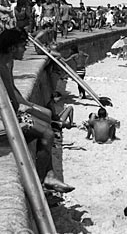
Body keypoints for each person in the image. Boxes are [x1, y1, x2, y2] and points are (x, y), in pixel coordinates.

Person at [0, 28, 74, 193]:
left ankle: (49, 175)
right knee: (47, 133)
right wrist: (21, 111)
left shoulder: (7, 62)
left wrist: (27, 105)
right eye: (22, 46)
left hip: (10, 112)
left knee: (47, 115)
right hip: (4, 120)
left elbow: (13, 92)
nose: (25, 49)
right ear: (12, 48)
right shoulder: (1, 65)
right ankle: (41, 182)